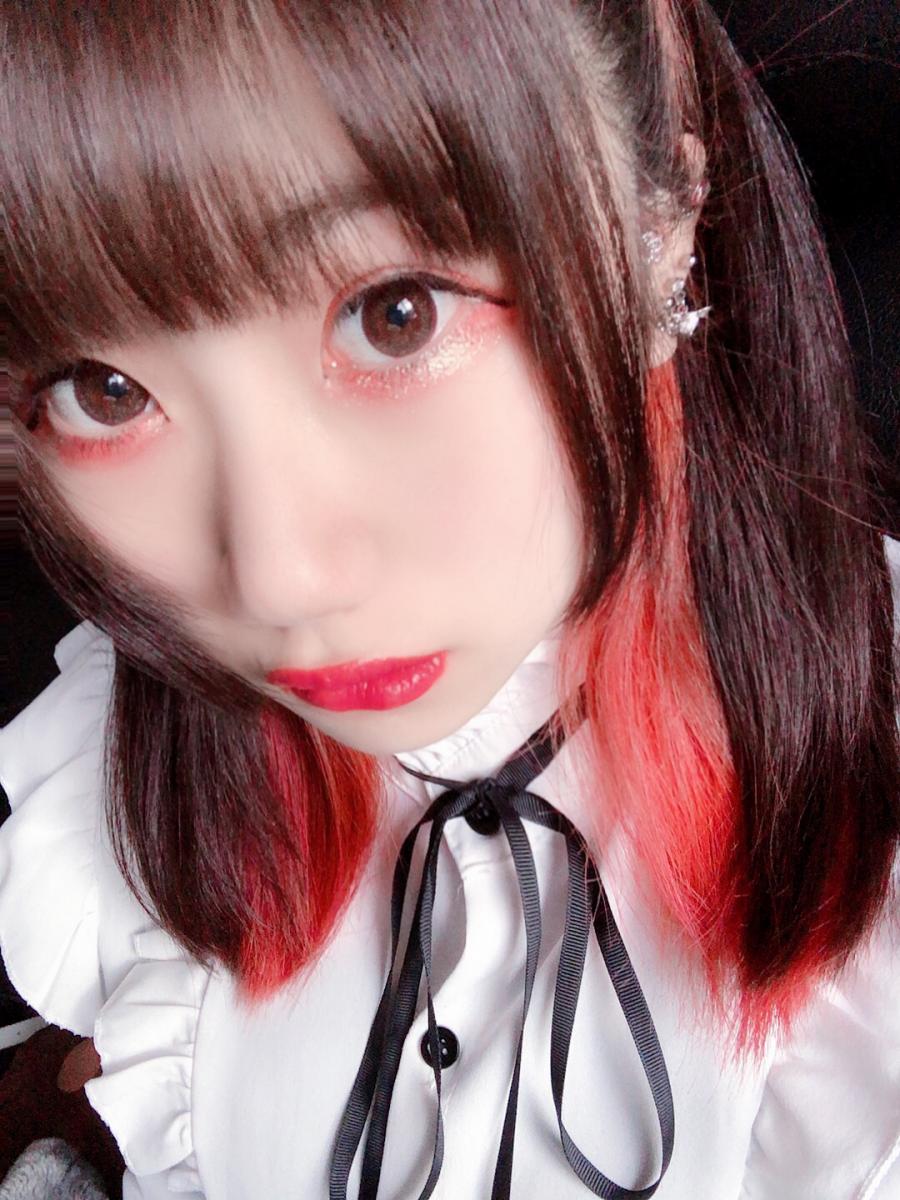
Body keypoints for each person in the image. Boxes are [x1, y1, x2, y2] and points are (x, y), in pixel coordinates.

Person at [2, 2, 898, 1198]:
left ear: (660, 226)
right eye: (104, 392)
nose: (279, 579)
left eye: (396, 315)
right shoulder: (112, 790)